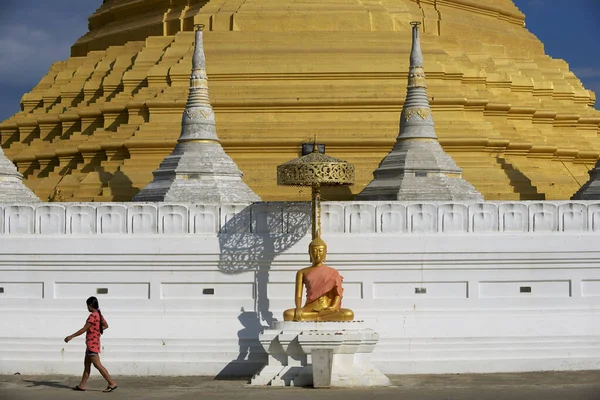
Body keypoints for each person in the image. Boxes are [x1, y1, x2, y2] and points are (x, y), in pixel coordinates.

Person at [283, 236, 354, 321]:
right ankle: (318, 317)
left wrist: (333, 307)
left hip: (327, 310)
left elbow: (338, 294)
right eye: (314, 251)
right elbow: (298, 295)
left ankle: (317, 317)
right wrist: (298, 308)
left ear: (325, 253)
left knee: (348, 314)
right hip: (309, 309)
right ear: (309, 253)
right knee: (287, 314)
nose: (317, 254)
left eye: (320, 251)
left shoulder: (333, 272)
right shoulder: (302, 272)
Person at [64, 296, 118, 392]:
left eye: (87, 305)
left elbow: (84, 329)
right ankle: (82, 385)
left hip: (92, 345)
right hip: (94, 343)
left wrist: (71, 336)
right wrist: (97, 330)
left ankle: (111, 383)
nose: (87, 308)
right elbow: (106, 325)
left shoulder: (93, 315)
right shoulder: (99, 315)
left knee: (98, 365)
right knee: (87, 365)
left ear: (91, 305)